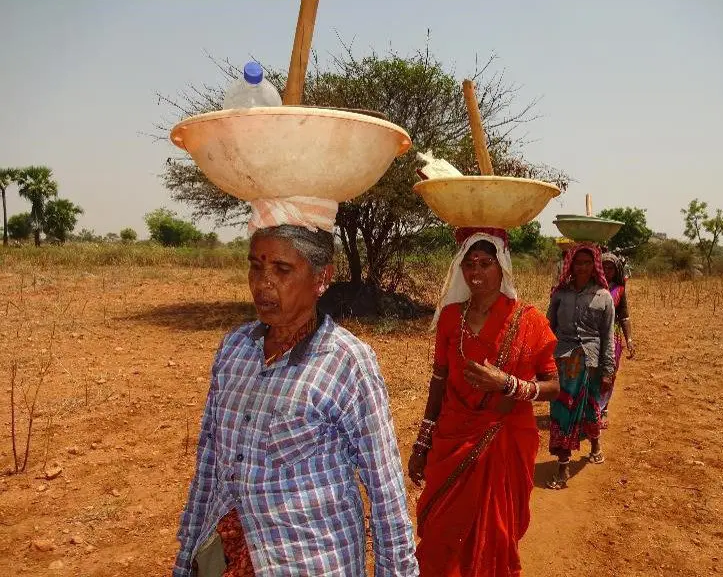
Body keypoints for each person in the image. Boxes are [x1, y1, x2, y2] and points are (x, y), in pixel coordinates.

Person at [173, 201, 418, 577]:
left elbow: (385, 492)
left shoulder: (346, 362)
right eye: (256, 266)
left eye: (282, 269)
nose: (263, 283)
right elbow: (208, 467)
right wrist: (186, 558)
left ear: (322, 278)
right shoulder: (235, 349)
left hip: (308, 562)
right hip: (228, 560)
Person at [408, 227, 560, 576]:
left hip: (504, 440)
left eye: (485, 263)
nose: (476, 272)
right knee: (441, 529)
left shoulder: (529, 320)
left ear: (502, 267)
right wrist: (422, 442)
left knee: (496, 531)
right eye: (469, 264)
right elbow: (438, 382)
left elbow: (553, 386)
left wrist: (507, 384)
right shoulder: (450, 317)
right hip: (452, 437)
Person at [545, 243, 615, 489]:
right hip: (563, 361)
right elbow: (547, 330)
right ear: (570, 265)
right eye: (578, 262)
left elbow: (608, 337)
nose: (582, 267)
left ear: (594, 266)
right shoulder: (560, 295)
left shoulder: (604, 297)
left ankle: (595, 443)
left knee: (589, 407)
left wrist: (608, 370)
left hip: (591, 362)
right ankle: (563, 465)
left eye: (587, 262)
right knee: (562, 411)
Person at [598, 253, 636, 426]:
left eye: (610, 267)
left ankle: (602, 408)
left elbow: (625, 317)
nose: (607, 271)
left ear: (617, 269)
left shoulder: (619, 290)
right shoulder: (592, 286)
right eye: (603, 267)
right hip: (592, 336)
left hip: (612, 337)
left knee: (609, 373)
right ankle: (590, 409)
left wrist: (629, 340)